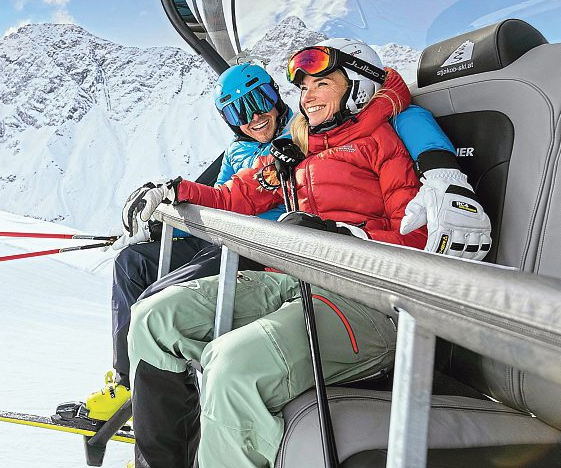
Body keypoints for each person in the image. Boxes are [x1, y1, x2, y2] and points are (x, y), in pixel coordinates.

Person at [123, 39, 491, 468]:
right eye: (303, 88)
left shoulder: (384, 144)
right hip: (292, 276)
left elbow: (419, 244)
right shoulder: (301, 149)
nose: (307, 96)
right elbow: (235, 195)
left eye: (322, 84)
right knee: (154, 319)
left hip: (366, 298)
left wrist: (343, 234)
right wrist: (175, 190)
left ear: (356, 86)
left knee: (232, 367)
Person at [84, 63, 292, 420]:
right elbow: (214, 201)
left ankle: (171, 409)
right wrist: (161, 230)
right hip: (219, 239)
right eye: (238, 110)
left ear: (275, 95)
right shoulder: (236, 151)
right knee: (132, 263)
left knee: (155, 302)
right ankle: (127, 382)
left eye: (259, 99)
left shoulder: (298, 138)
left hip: (254, 247)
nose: (253, 116)